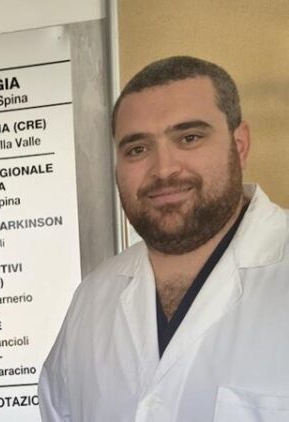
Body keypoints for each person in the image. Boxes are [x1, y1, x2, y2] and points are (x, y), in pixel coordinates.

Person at [39, 56, 289, 421]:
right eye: (137, 149)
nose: (164, 169)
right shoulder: (92, 300)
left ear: (240, 145)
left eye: (189, 138)